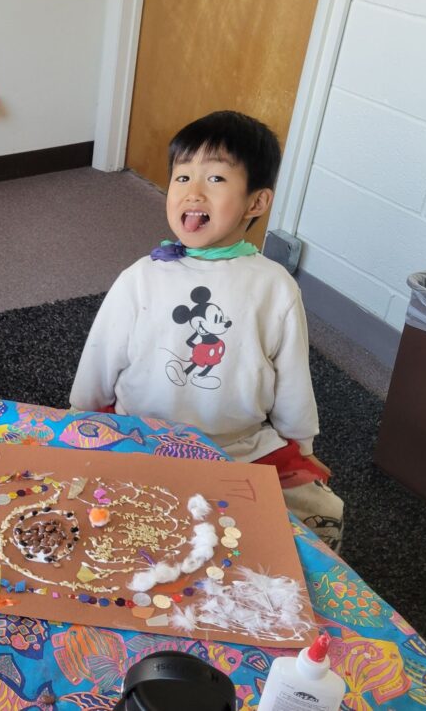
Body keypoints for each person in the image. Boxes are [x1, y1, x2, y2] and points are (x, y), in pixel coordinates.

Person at [69, 110, 343, 549]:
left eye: (215, 179)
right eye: (182, 178)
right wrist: (82, 413)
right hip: (139, 437)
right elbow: (102, 354)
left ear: (256, 202)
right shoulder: (142, 276)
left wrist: (301, 444)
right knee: (91, 515)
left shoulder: (274, 285)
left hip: (236, 448)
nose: (193, 192)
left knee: (319, 517)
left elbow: (292, 375)